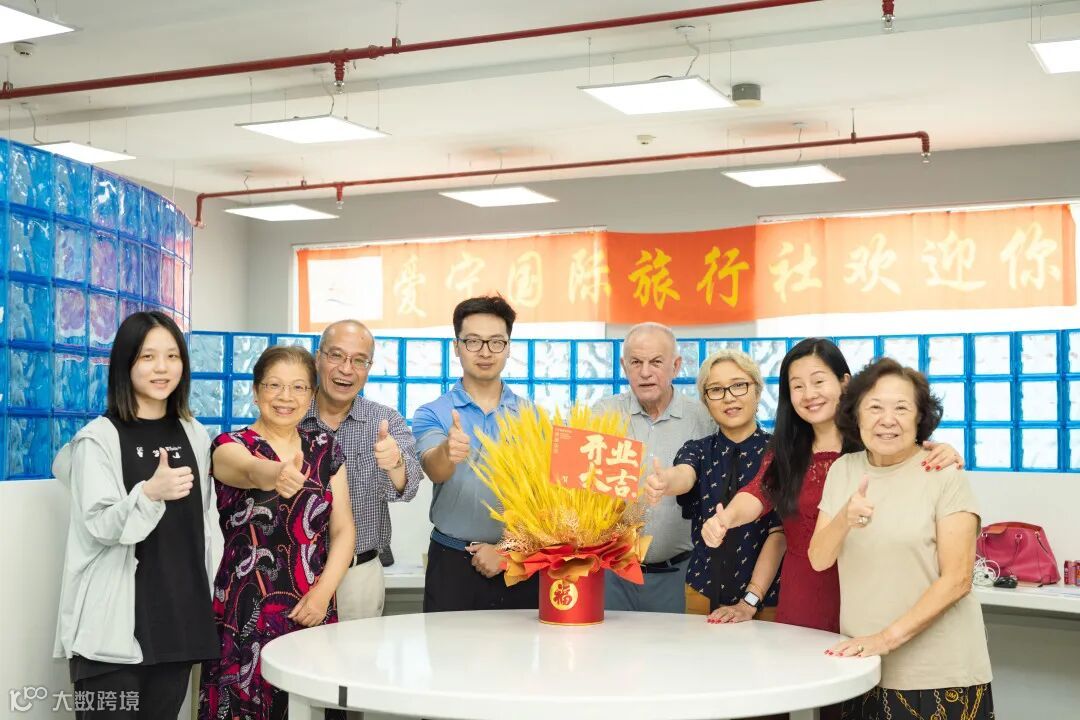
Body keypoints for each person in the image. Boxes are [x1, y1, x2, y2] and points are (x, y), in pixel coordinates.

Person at [701, 338, 961, 631]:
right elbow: (757, 493)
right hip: (803, 598)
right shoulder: (786, 450)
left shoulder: (878, 444)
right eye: (797, 386)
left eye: (818, 381)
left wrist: (944, 452)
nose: (809, 394)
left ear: (844, 382)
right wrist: (726, 518)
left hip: (870, 595)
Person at [54, 311, 218, 720]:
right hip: (111, 627)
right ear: (125, 363)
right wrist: (149, 493)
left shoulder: (194, 433)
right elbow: (100, 524)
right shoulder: (98, 438)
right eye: (148, 356)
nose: (162, 367)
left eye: (172, 356)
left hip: (178, 619)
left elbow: (202, 525)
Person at [809, 358, 993, 719]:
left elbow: (957, 580)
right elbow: (819, 558)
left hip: (937, 675)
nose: (887, 419)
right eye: (875, 407)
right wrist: (844, 518)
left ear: (919, 417)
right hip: (861, 668)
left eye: (902, 408)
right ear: (856, 415)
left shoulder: (944, 473)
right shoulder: (843, 470)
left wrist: (884, 640)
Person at [198, 345, 354, 720]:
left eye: (298, 387)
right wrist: (277, 474)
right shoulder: (228, 446)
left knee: (310, 706)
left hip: (312, 606)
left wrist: (323, 595)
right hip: (246, 608)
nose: (286, 397)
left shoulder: (324, 447)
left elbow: (344, 528)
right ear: (256, 391)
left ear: (311, 395)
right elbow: (247, 470)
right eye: (274, 385)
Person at [412, 295, 539, 612]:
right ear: (456, 347)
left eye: (496, 342)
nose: (485, 352)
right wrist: (447, 450)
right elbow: (434, 468)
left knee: (522, 646)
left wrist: (508, 551)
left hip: (518, 560)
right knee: (446, 645)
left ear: (508, 347)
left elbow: (545, 499)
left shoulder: (533, 417)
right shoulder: (432, 412)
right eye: (473, 341)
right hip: (452, 563)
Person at [645, 349, 784, 622]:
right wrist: (665, 483)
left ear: (757, 392)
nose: (729, 397)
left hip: (765, 599)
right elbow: (684, 474)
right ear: (706, 402)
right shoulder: (697, 450)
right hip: (701, 590)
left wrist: (751, 599)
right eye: (716, 390)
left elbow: (779, 534)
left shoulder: (780, 453)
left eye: (739, 385)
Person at [299, 319, 422, 620]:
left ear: (369, 368)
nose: (346, 369)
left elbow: (410, 485)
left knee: (358, 651)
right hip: (294, 570)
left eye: (359, 360)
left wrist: (395, 462)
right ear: (318, 358)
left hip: (358, 575)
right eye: (336, 355)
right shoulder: (292, 414)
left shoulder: (384, 421)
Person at [594, 322, 715, 613]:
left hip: (679, 575)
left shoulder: (703, 418)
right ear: (623, 366)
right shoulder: (603, 414)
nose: (645, 372)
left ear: (676, 365)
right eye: (636, 362)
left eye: (656, 362)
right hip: (612, 573)